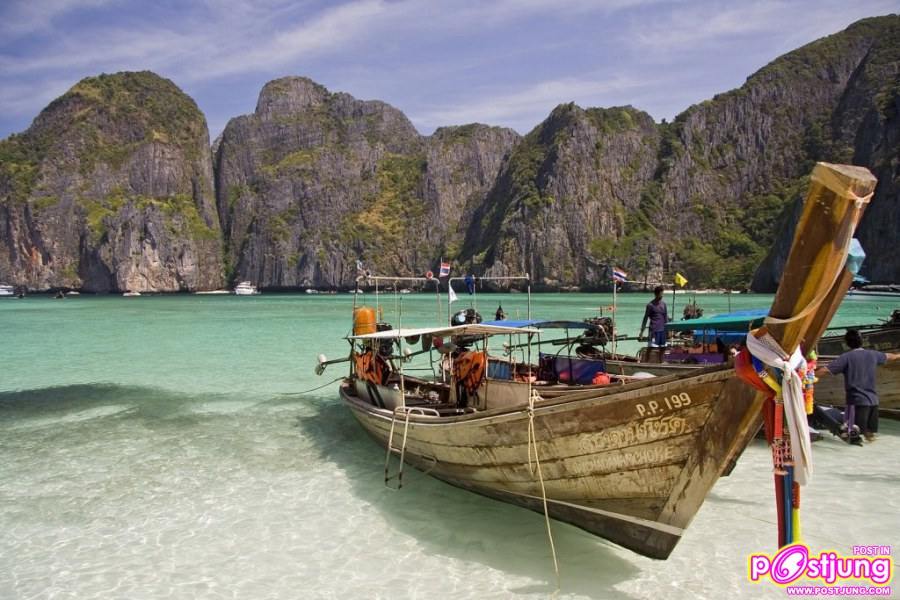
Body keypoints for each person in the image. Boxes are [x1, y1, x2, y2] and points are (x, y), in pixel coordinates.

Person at [816, 329, 900, 442]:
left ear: (847, 343)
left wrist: (806, 377)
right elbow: (891, 357)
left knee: (853, 436)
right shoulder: (873, 354)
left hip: (857, 403)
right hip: (873, 402)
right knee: (869, 436)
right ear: (861, 341)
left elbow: (825, 371)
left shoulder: (846, 357)